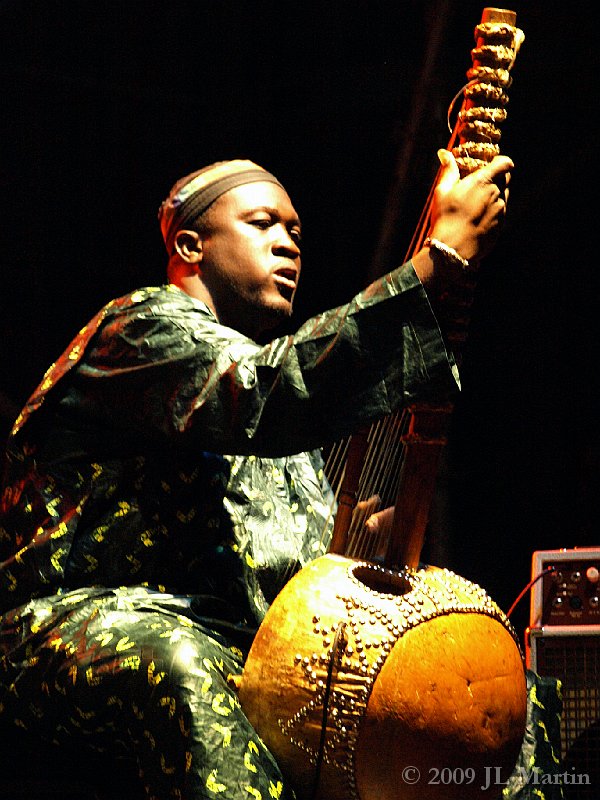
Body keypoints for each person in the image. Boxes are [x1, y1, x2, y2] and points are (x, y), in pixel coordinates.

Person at [0, 153, 512, 799]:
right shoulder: (138, 329)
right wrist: (436, 263)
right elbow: (267, 394)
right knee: (182, 669)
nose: (288, 244)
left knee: (472, 694)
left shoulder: (283, 421)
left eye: (296, 232)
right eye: (264, 222)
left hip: (243, 647)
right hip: (67, 626)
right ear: (191, 245)